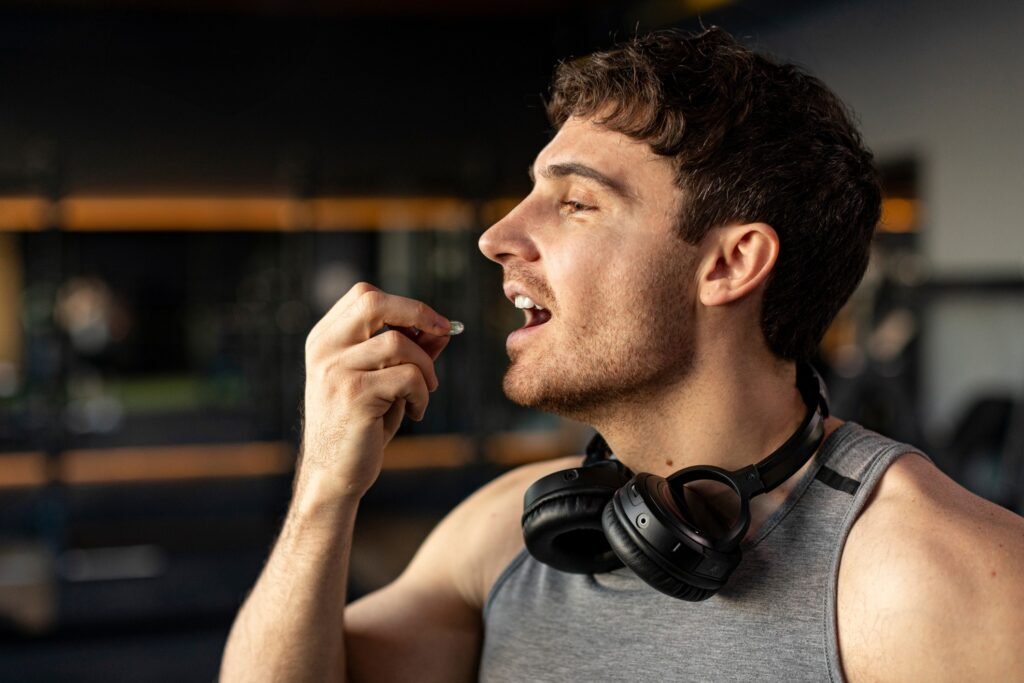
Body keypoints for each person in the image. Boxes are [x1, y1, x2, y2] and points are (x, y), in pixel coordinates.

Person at [220, 27, 1024, 682]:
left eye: (574, 203)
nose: (496, 238)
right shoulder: (501, 535)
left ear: (729, 263)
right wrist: (326, 483)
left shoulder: (940, 580)